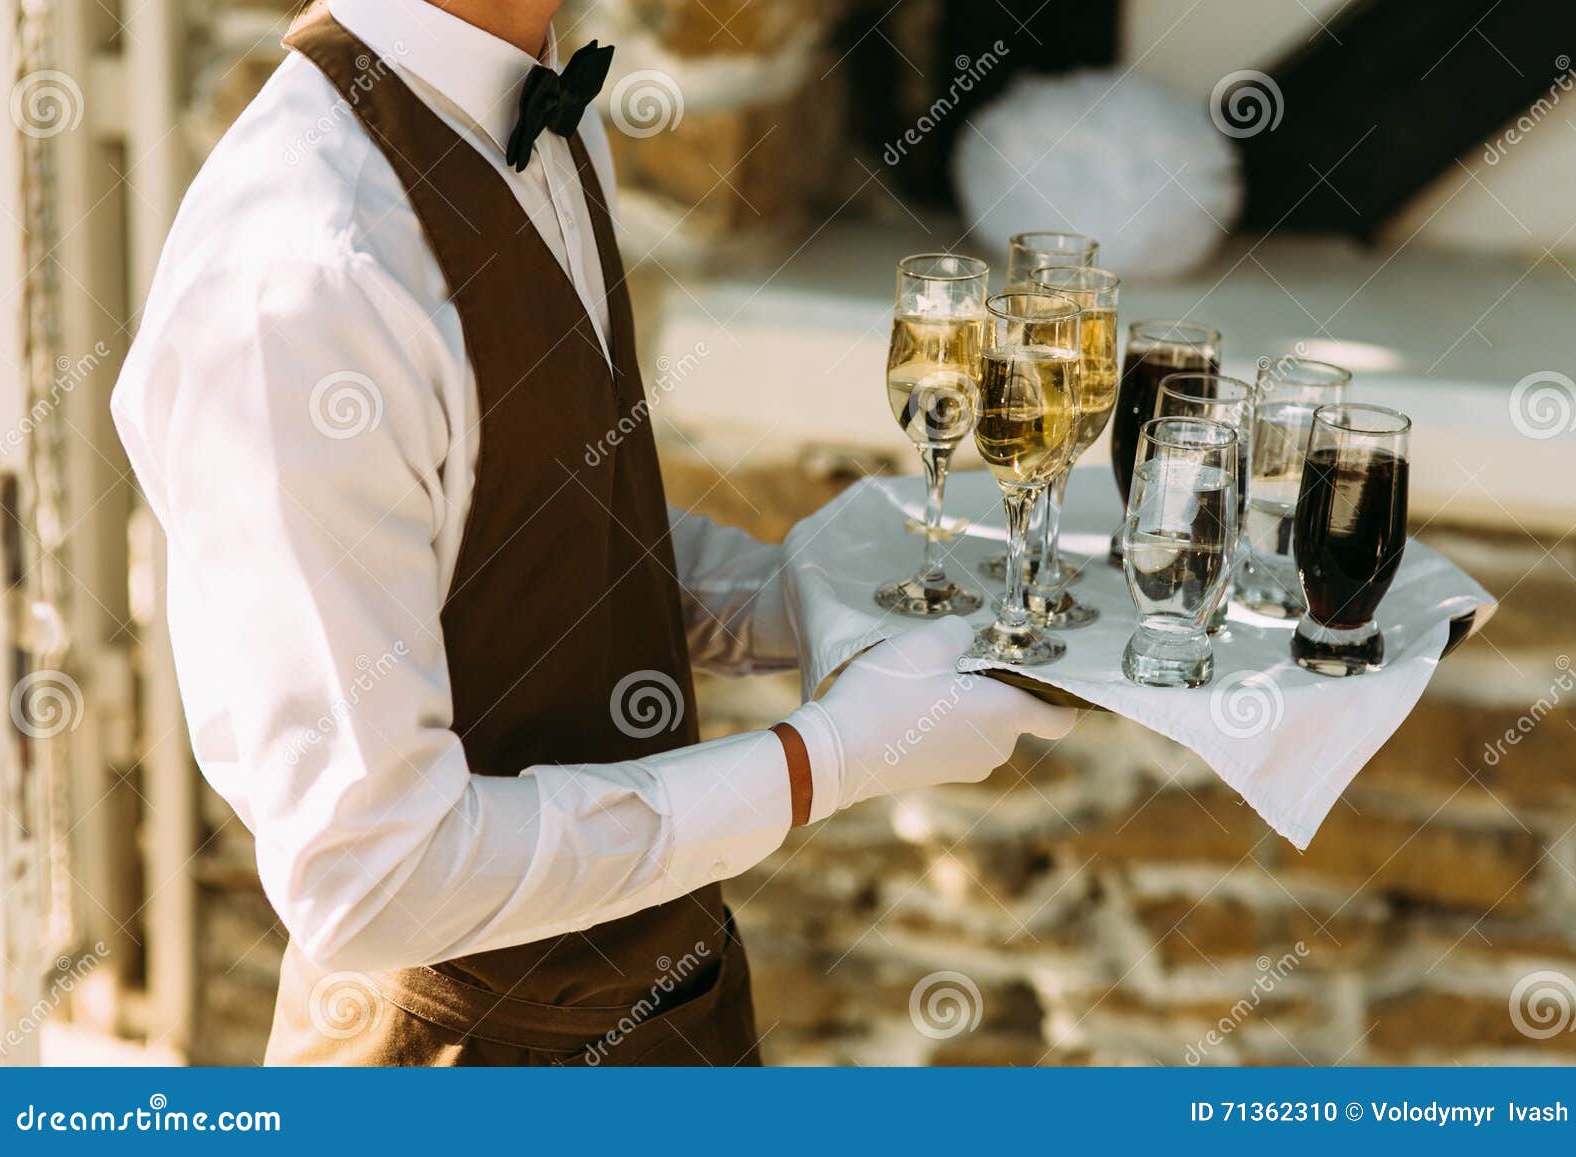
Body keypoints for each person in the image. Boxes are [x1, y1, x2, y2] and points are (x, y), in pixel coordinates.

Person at [110, 0, 1076, 1066]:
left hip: (679, 1003)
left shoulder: (541, 106)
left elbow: (531, 525)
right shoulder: (305, 278)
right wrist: (828, 759)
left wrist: (803, 599)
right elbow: (373, 876)